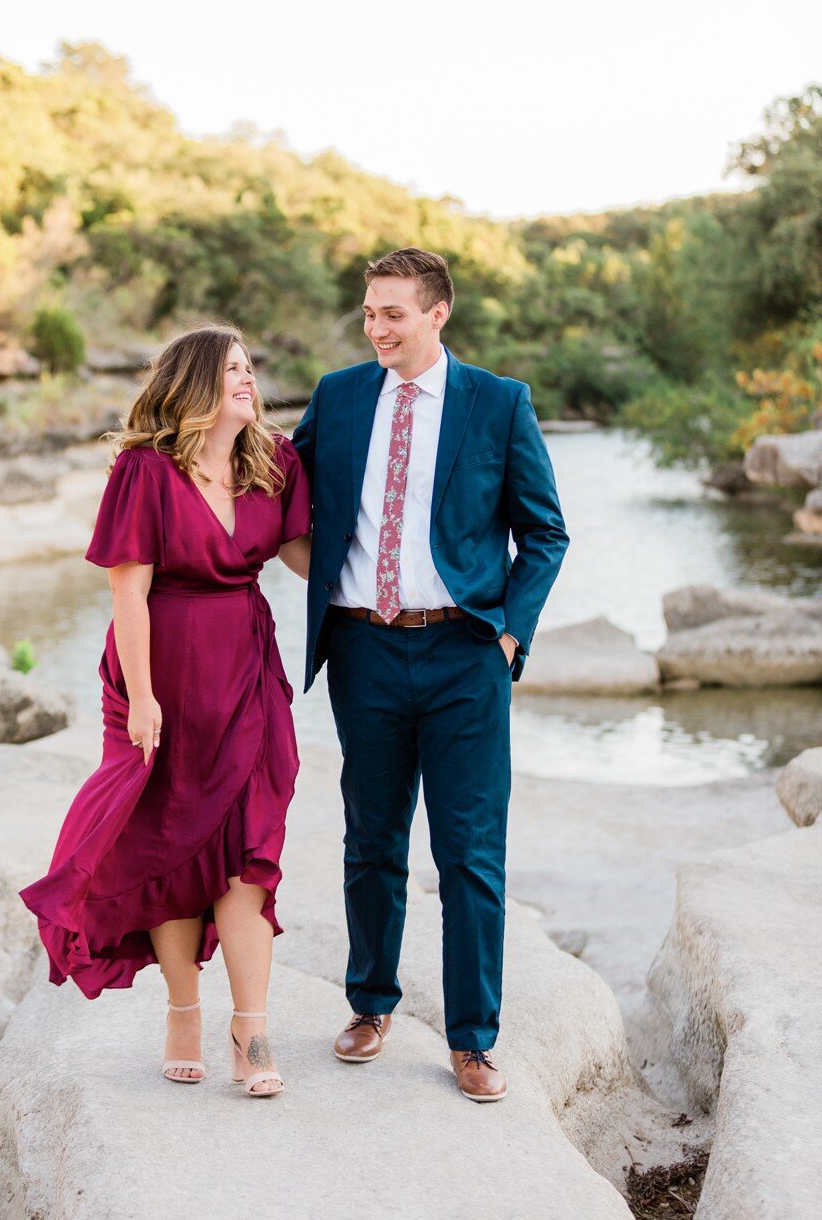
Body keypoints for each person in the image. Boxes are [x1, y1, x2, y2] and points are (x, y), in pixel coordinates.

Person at [291, 246, 567, 1103]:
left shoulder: (498, 402)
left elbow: (545, 533)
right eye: (369, 312)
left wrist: (511, 635)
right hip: (364, 651)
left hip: (465, 655)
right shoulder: (338, 398)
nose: (377, 328)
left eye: (393, 313)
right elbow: (280, 491)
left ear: (437, 313)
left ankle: (473, 1040)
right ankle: (370, 1004)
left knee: (471, 856)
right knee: (370, 840)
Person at [20, 325, 312, 1097]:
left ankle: (252, 1030)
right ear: (193, 386)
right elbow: (127, 589)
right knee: (168, 842)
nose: (249, 381)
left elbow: (310, 557)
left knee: (250, 850)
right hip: (161, 673)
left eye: (252, 367)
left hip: (246, 669)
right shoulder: (144, 471)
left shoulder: (274, 463)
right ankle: (184, 1008)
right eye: (232, 371)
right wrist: (144, 697)